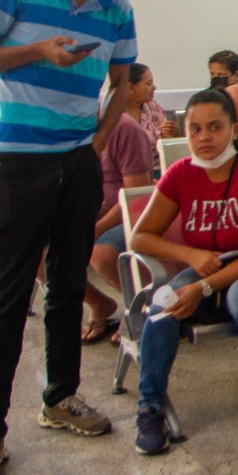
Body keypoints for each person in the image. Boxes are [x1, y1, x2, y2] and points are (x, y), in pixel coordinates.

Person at [0, 0, 135, 475]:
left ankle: (59, 398)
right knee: (7, 294)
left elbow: (124, 82)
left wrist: (97, 141)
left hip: (76, 163)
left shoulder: (117, 6)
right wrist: (36, 51)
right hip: (18, 162)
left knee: (67, 285)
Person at [131, 90, 238, 455]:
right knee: (160, 307)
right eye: (195, 129)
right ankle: (150, 405)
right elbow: (140, 236)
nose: (204, 137)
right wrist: (188, 254)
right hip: (205, 265)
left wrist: (202, 287)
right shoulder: (180, 174)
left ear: (234, 129)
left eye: (215, 127)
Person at [80, 110, 154, 344]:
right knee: (33, 250)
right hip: (81, 213)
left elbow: (136, 197)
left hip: (124, 216)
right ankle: (99, 304)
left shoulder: (125, 129)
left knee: (101, 254)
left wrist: (97, 228)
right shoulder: (63, 124)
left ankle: (143, 308)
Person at [126, 62, 179, 174]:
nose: (154, 87)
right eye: (149, 83)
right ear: (131, 87)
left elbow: (166, 145)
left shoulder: (153, 106)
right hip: (127, 172)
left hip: (158, 169)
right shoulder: (113, 114)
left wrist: (168, 136)